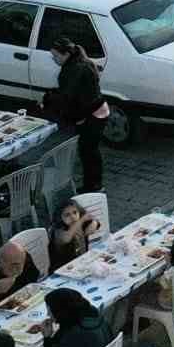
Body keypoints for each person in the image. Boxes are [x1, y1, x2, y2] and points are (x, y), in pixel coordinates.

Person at [42, 37, 108, 193]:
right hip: (97, 111)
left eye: (56, 56)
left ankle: (93, 187)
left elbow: (69, 96)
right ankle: (94, 184)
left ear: (66, 54)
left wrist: (49, 99)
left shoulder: (74, 69)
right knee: (90, 151)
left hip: (92, 115)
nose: (54, 60)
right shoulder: (78, 64)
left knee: (89, 152)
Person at [49, 198, 102, 269]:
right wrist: (81, 220)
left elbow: (93, 227)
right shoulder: (58, 231)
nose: (73, 217)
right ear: (60, 218)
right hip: (62, 269)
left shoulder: (81, 224)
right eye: (67, 215)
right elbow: (66, 238)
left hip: (80, 263)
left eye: (75, 212)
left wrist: (94, 222)